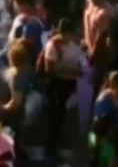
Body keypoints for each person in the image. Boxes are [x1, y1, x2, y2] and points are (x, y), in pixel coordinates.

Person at [39, 19, 84, 162]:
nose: (72, 37)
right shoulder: (53, 46)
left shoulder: (73, 45)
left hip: (69, 82)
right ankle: (51, 144)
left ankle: (57, 137)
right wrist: (72, 71)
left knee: (62, 111)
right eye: (70, 34)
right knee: (56, 114)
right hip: (57, 83)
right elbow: (50, 69)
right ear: (64, 33)